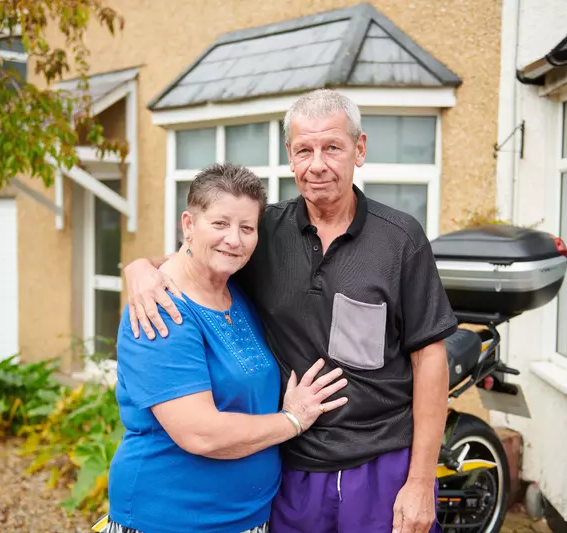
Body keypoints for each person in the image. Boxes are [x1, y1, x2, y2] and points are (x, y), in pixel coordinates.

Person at [125, 89, 457, 533]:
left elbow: (429, 358)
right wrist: (140, 269)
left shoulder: (401, 239)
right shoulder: (263, 232)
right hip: (292, 469)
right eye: (304, 149)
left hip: (382, 464)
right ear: (290, 157)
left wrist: (420, 480)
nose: (317, 164)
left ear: (359, 149)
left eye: (332, 147)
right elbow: (196, 259)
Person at [105, 162, 349, 533]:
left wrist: (142, 264)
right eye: (219, 224)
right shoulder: (160, 310)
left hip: (247, 518)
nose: (234, 239)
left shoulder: (236, 293)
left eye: (246, 228)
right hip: (172, 520)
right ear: (188, 225)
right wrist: (293, 420)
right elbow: (201, 433)